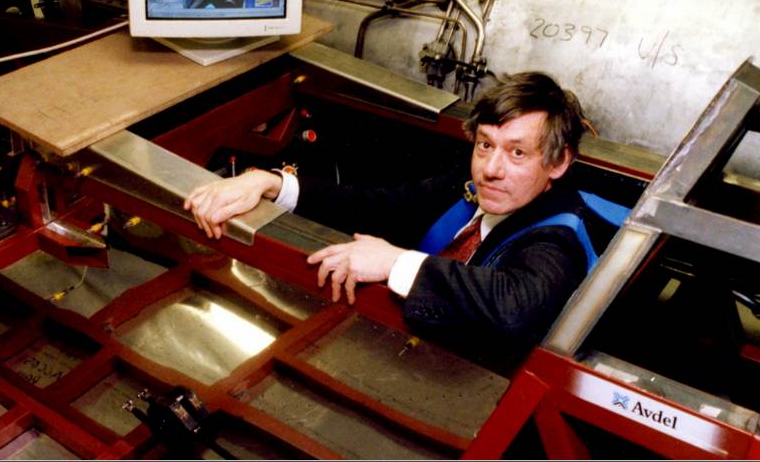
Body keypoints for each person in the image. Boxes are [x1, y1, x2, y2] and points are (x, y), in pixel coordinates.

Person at [184, 72, 616, 370]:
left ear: (558, 162)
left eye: (518, 153)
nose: (492, 168)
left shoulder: (559, 236)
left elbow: (514, 307)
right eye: (485, 145)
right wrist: (275, 184)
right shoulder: (471, 183)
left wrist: (395, 263)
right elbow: (381, 206)